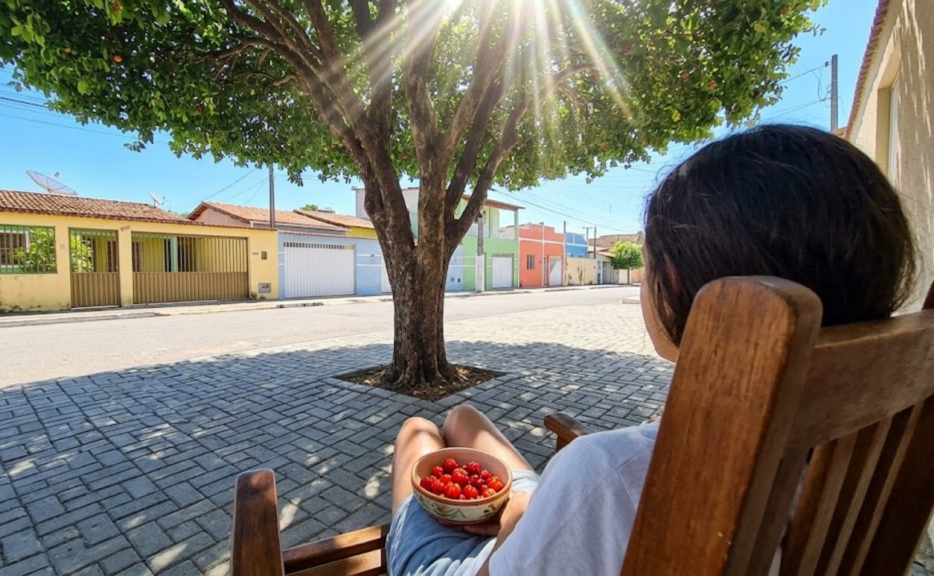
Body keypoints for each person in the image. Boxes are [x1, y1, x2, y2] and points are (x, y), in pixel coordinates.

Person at [385, 124, 917, 576]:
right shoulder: (870, 446)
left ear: (675, 279)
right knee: (462, 414)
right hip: (564, 517)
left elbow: (596, 502)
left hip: (516, 544)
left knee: (417, 430)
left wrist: (519, 518)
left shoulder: (608, 474)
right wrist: (527, 503)